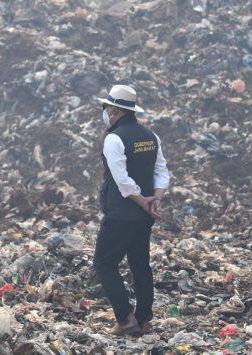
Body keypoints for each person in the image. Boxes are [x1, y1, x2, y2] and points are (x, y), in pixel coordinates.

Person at [93, 84, 170, 336]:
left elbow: (122, 179)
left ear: (114, 110)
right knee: (140, 265)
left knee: (104, 264)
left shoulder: (114, 138)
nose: (105, 113)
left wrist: (143, 201)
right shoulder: (151, 136)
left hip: (120, 214)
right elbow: (161, 171)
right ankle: (144, 319)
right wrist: (154, 199)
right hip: (144, 217)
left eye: (106, 108)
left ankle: (125, 318)